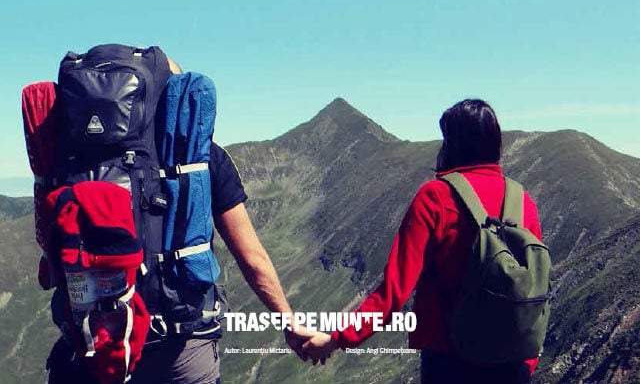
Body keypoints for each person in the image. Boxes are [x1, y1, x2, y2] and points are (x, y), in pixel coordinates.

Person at [46, 56, 309, 384]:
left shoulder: (71, 159)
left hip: (94, 345)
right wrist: (289, 321)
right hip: (181, 350)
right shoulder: (199, 159)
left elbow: (52, 253)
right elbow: (252, 258)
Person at [302, 99, 544, 383]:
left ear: (453, 144)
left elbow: (394, 292)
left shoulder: (436, 197)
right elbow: (534, 289)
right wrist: (525, 364)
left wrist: (336, 338)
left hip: (450, 364)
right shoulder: (523, 201)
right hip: (512, 364)